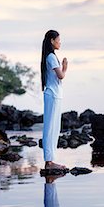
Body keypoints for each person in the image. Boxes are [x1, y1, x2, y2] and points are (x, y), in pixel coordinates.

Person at [41, 30, 68, 170]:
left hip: (55, 95)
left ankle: (50, 160)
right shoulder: (51, 57)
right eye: (58, 39)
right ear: (52, 40)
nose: (60, 42)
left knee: (54, 128)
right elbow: (61, 76)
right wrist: (65, 67)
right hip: (52, 94)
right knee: (50, 128)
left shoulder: (51, 56)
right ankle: (49, 162)